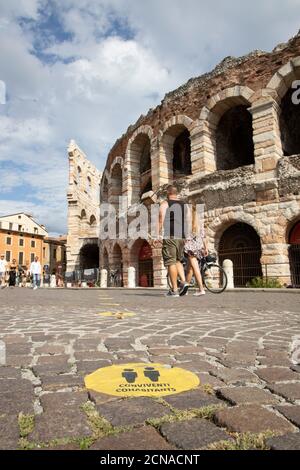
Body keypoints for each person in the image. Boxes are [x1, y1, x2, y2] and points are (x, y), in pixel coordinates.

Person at [157, 185, 189, 297]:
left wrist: (157, 235)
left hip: (170, 235)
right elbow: (186, 220)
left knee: (170, 261)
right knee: (178, 260)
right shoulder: (185, 205)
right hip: (181, 236)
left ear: (168, 193)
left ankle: (174, 290)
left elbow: (161, 218)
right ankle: (184, 283)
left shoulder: (165, 203)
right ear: (176, 193)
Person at [184, 205, 208, 296]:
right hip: (198, 247)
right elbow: (203, 236)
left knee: (195, 268)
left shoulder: (187, 223)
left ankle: (201, 289)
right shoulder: (199, 222)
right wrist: (205, 248)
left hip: (190, 248)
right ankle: (185, 290)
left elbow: (184, 237)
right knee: (190, 269)